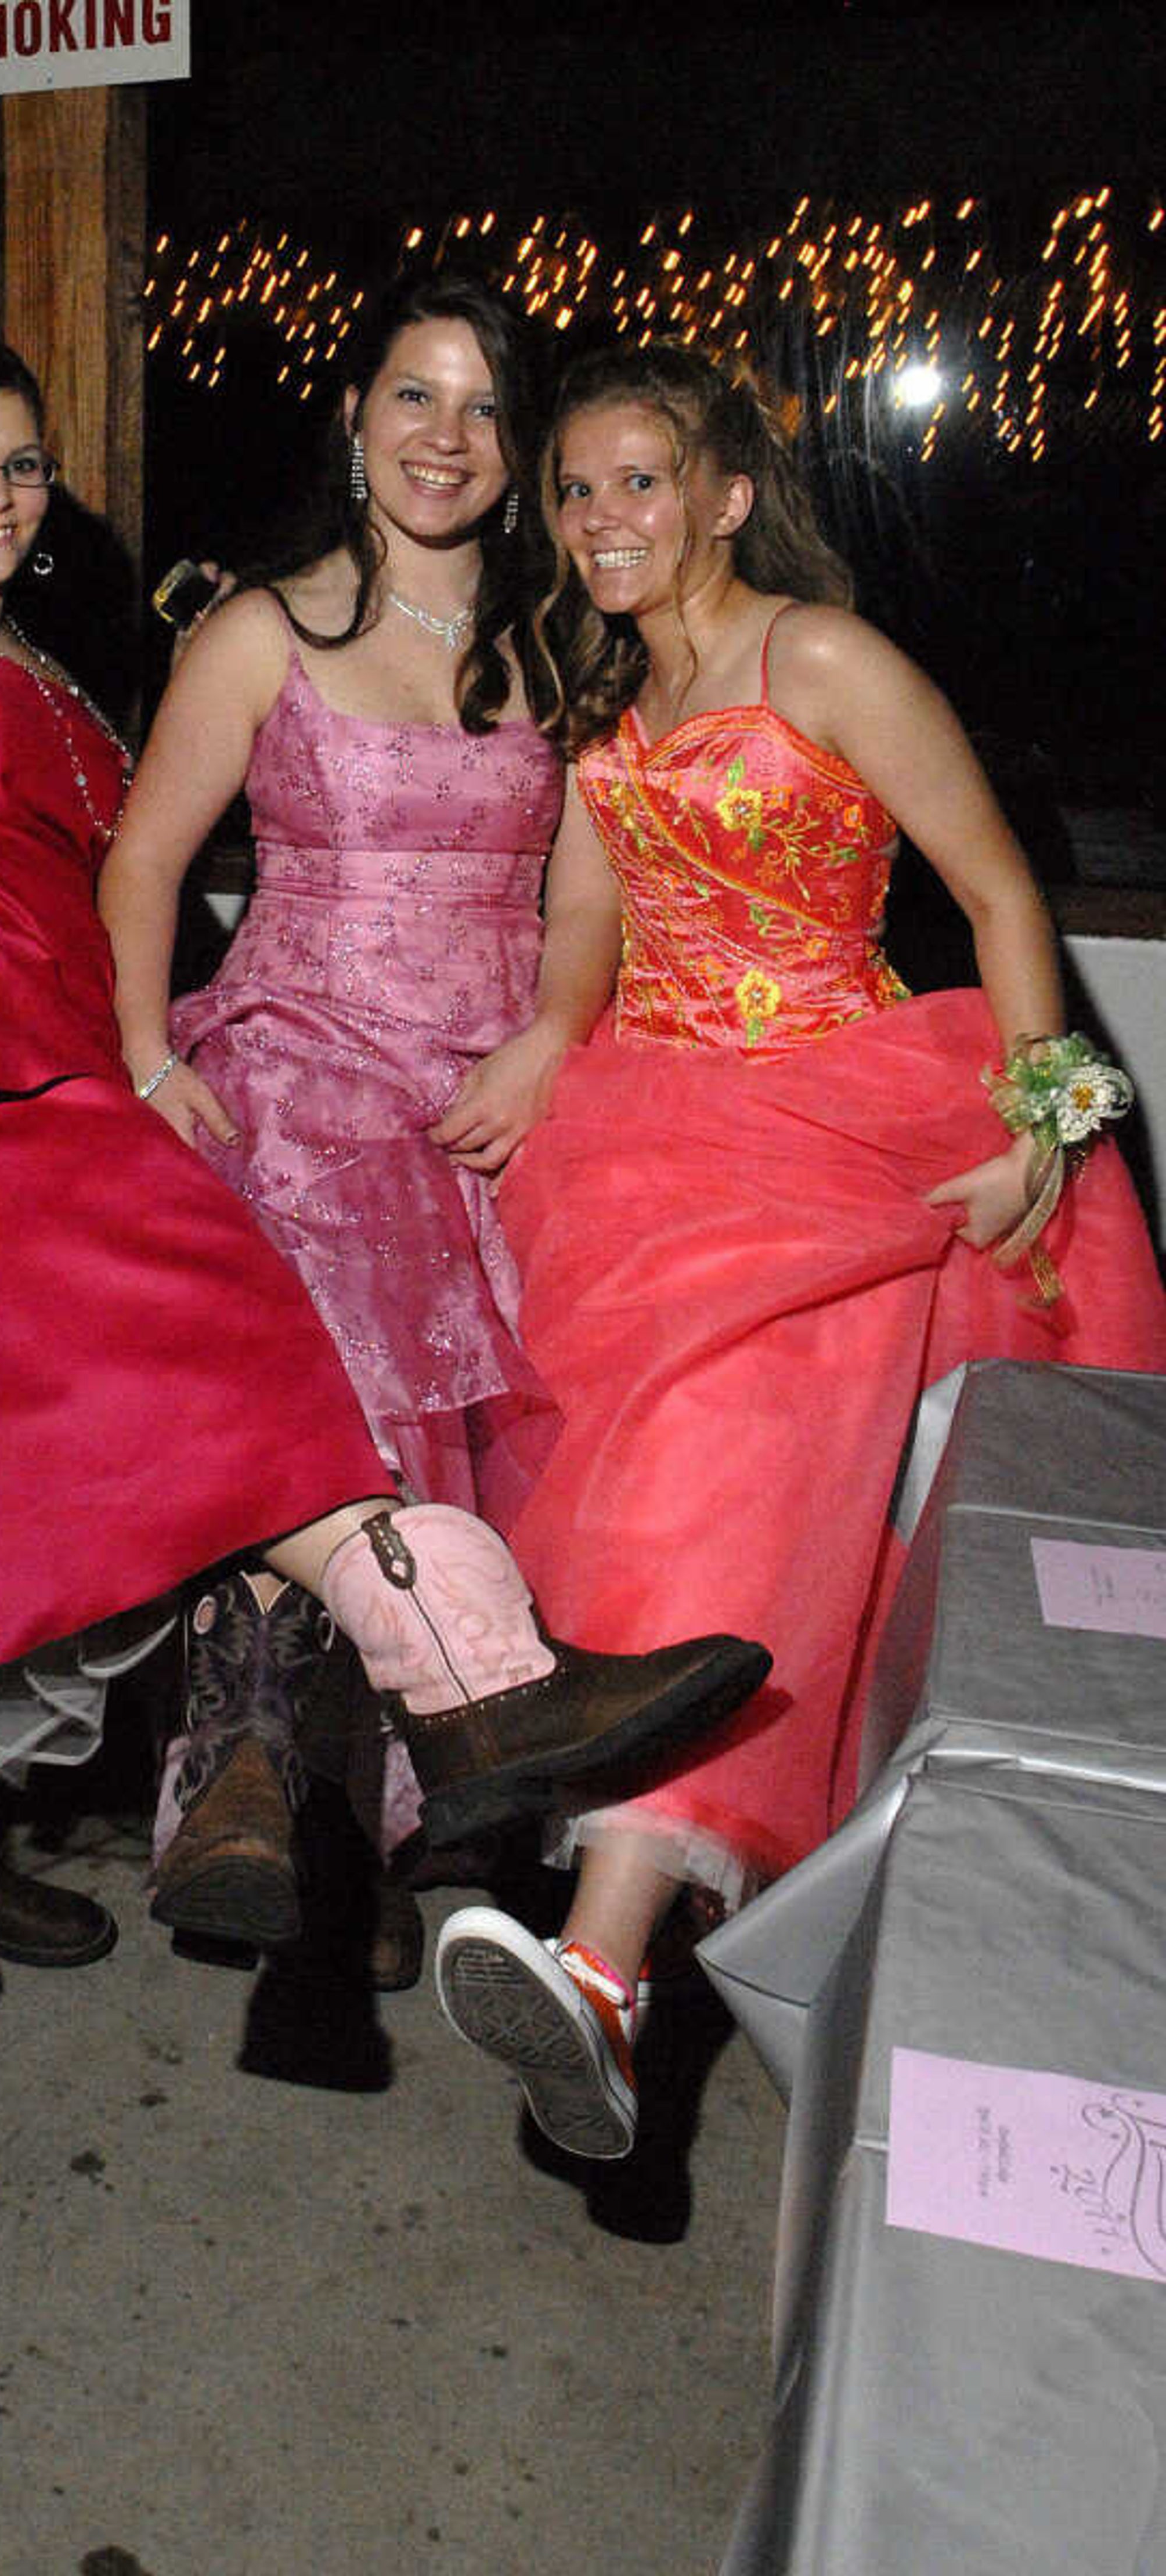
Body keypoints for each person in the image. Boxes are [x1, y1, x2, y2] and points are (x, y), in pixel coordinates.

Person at [0, 322, 772, 1964]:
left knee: (25, 1429)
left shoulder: (61, 678)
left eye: (20, 465)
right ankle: (448, 1669)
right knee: (187, 1325)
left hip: (25, 1050)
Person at [429, 343, 1166, 2160]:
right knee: (636, 1496)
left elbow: (999, 891)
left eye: (640, 482)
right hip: (650, 1143)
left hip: (850, 1131)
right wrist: (537, 1042)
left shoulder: (818, 658)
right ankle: (619, 1938)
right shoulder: (611, 707)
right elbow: (584, 935)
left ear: (728, 495)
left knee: (739, 1471)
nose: (603, 518)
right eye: (577, 490)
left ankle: (601, 1965)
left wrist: (1040, 1122)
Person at [99, 263, 600, 1969]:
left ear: (517, 451)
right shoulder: (264, 627)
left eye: (481, 408)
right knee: (331, 1335)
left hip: (491, 1074)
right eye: (413, 395)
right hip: (302, 1052)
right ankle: (250, 1765)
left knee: (480, 1395)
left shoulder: (559, 645)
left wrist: (547, 1036)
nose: (443, 437)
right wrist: (145, 1057)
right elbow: (148, 859)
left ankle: (340, 1810)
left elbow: (591, 897)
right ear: (355, 415)